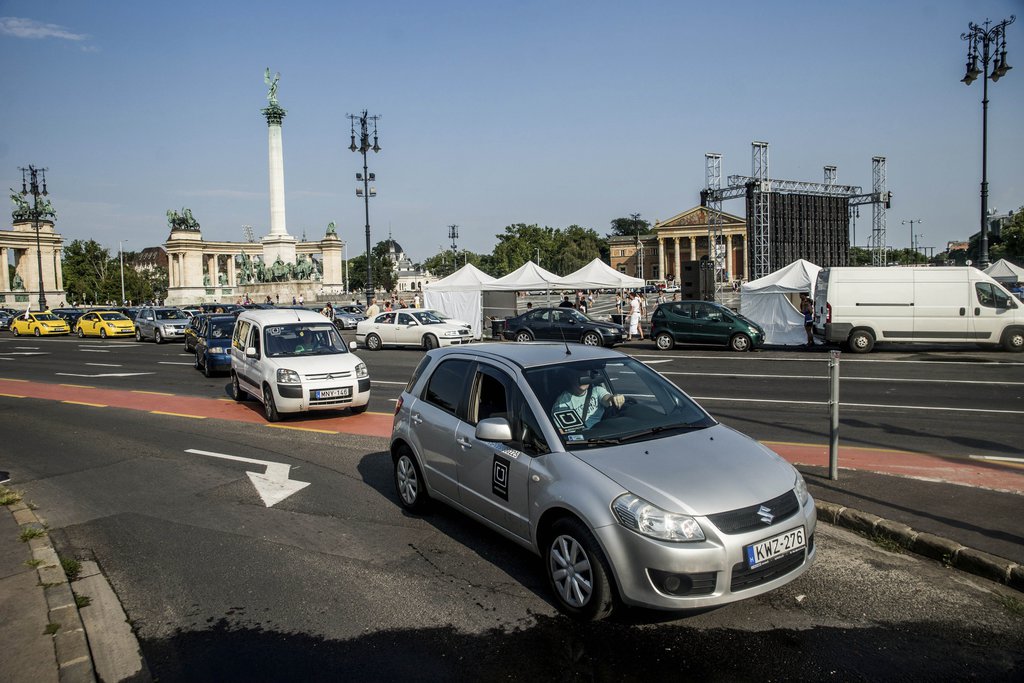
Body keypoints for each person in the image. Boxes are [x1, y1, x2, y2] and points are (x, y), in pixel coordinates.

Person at [549, 370, 625, 432]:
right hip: (583, 441)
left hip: (602, 435)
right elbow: (561, 432)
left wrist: (616, 397)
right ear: (570, 377)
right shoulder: (562, 403)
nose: (584, 380)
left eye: (586, 376)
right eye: (580, 377)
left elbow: (608, 399)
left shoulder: (597, 391)